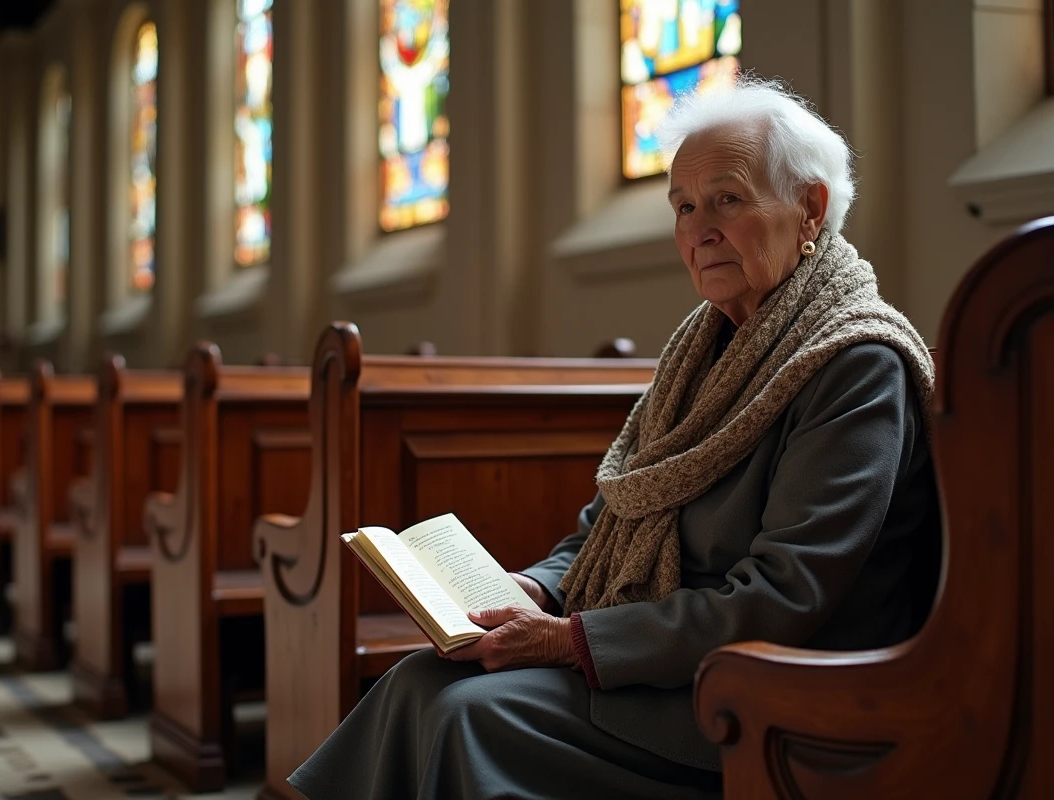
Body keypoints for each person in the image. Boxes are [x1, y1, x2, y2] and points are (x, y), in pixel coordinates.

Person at [288, 76, 941, 800]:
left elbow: (787, 596)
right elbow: (615, 519)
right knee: (420, 678)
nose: (699, 229)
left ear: (810, 208)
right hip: (667, 655)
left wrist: (572, 641)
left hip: (770, 687)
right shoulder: (705, 346)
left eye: (727, 199)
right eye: (684, 207)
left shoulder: (855, 363)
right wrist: (534, 586)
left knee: (469, 714)